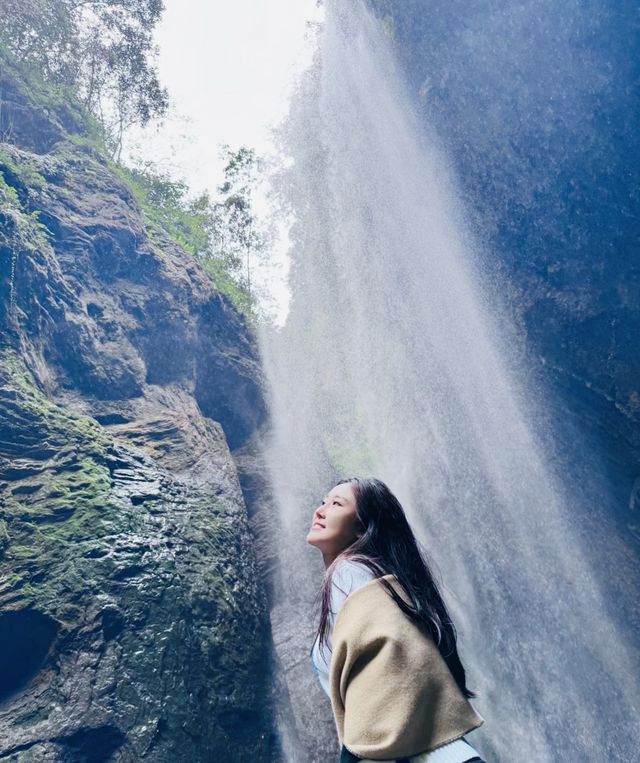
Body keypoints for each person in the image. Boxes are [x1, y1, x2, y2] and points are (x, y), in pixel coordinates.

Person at [306, 477, 487, 763]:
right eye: (323, 502)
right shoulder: (383, 585)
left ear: (362, 529)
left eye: (337, 504)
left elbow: (387, 673)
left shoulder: (350, 572)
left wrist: (351, 756)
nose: (320, 510)